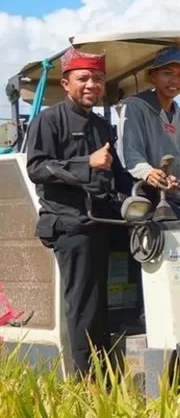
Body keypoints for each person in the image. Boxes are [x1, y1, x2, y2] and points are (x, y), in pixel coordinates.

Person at [25, 47, 134, 378]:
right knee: (85, 307)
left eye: (98, 79)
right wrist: (85, 162)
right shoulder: (49, 119)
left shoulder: (101, 127)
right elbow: (37, 168)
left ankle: (114, 374)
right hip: (71, 225)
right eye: (84, 78)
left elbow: (115, 178)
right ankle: (89, 384)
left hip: (104, 221)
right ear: (66, 82)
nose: (92, 85)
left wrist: (153, 184)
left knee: (109, 305)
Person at [116, 45, 180, 217]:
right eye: (167, 73)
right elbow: (130, 154)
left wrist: (172, 180)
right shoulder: (135, 106)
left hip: (172, 191)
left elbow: (176, 159)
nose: (174, 80)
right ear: (153, 76)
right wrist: (149, 173)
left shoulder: (179, 115)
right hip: (141, 191)